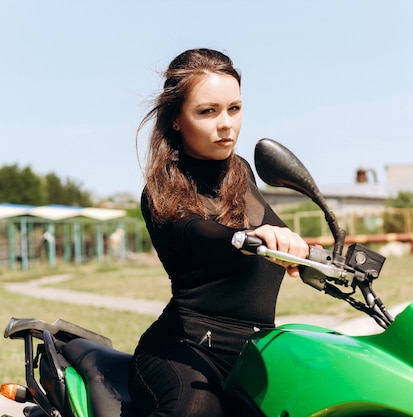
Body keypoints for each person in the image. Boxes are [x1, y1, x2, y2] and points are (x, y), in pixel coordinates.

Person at [128, 48, 310, 417]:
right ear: (176, 119)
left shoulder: (239, 173)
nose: (226, 124)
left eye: (234, 108)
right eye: (207, 112)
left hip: (253, 351)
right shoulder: (161, 189)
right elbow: (197, 233)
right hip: (183, 350)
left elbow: (275, 229)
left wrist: (304, 249)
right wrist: (243, 240)